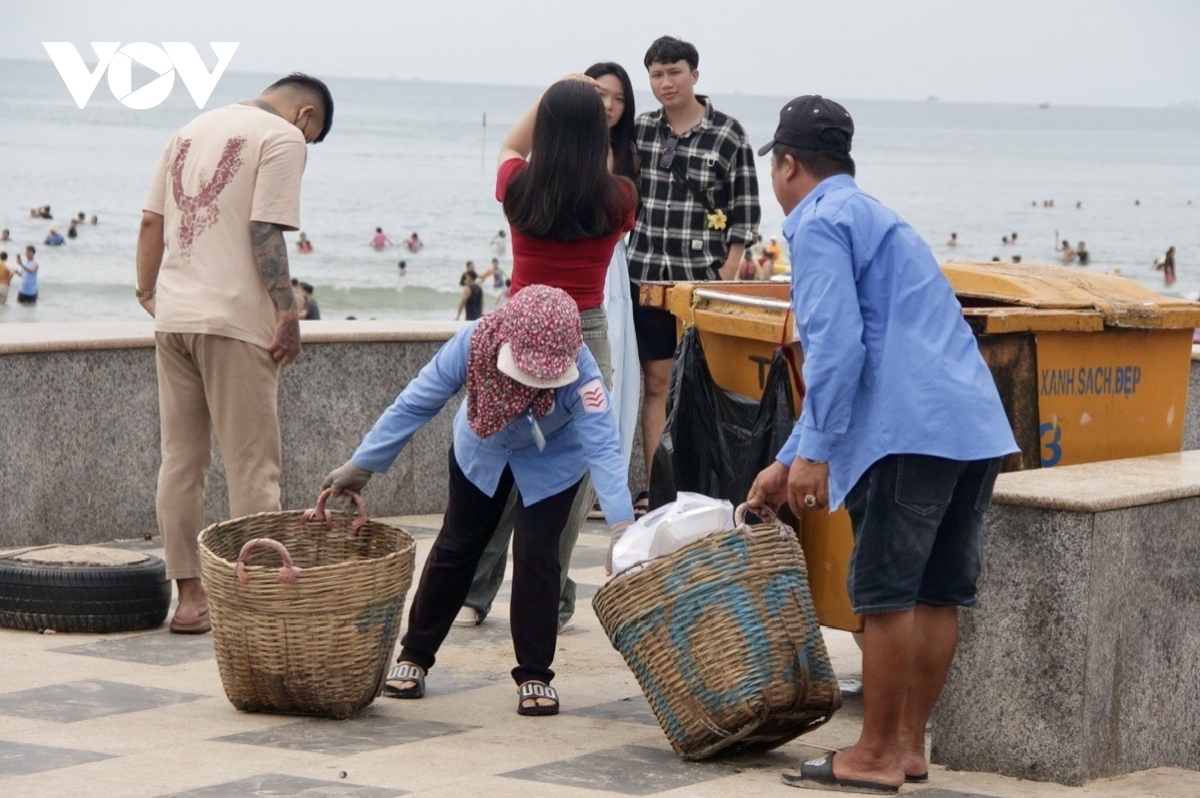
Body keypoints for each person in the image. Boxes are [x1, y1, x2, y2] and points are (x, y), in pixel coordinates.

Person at [747, 95, 1017, 793]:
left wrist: (815, 454)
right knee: (936, 594)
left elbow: (837, 349)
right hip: (970, 424)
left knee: (887, 595)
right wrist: (788, 458)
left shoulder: (817, 222)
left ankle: (871, 757)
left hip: (907, 431)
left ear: (787, 165)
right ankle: (906, 746)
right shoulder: (878, 217)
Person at [321, 285, 633, 716]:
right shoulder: (473, 343)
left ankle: (535, 674)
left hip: (553, 461)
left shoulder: (584, 373)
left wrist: (621, 527)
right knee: (458, 545)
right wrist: (364, 465)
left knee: (537, 555)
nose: (537, 382)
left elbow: (603, 448)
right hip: (483, 448)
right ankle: (414, 655)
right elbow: (415, 403)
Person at [135, 71, 333, 634]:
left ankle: (192, 600)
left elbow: (151, 221)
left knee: (181, 462)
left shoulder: (190, 129)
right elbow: (265, 227)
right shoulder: (284, 138)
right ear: (306, 117)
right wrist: (288, 312)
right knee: (253, 466)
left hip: (175, 320)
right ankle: (254, 600)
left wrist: (148, 292)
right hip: (235, 323)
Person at [456, 72, 639, 632]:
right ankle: (552, 598)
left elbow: (512, 145)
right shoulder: (619, 198)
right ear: (597, 136)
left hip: (518, 331)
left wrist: (554, 92)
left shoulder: (518, 188)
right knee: (572, 474)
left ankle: (473, 591)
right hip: (586, 334)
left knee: (502, 458)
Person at [627, 35, 760, 517]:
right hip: (644, 277)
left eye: (674, 72)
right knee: (656, 382)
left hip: (700, 283)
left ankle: (703, 486)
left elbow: (745, 209)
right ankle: (655, 488)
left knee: (706, 383)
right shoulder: (640, 130)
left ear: (695, 75)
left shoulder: (728, 133)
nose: (666, 83)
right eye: (657, 75)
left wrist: (728, 270)